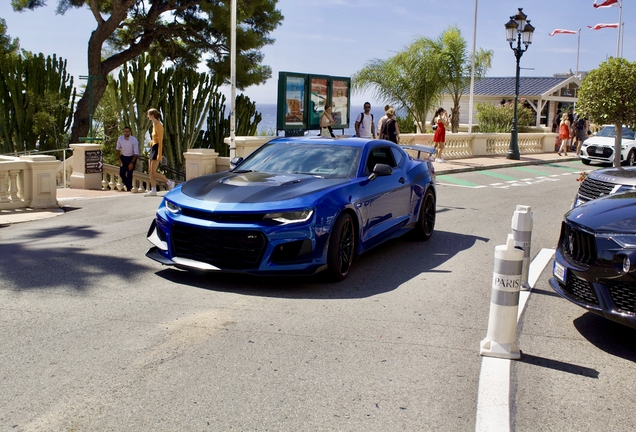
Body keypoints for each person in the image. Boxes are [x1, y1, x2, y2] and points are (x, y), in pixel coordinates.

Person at [144, 108, 174, 196]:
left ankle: (169, 182)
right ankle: (153, 190)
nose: (147, 116)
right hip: (153, 147)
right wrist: (151, 142)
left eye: (148, 114)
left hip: (157, 148)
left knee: (154, 171)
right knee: (150, 171)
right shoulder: (153, 124)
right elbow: (155, 139)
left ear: (152, 115)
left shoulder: (159, 126)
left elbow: (160, 141)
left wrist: (159, 154)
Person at [115, 126, 139, 192]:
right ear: (123, 132)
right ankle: (128, 185)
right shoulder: (120, 139)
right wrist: (119, 159)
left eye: (127, 131)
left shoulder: (134, 140)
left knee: (129, 174)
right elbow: (117, 149)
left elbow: (136, 153)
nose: (126, 133)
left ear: (130, 132)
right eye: (125, 131)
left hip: (131, 157)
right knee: (121, 173)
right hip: (123, 157)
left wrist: (132, 163)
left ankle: (129, 189)